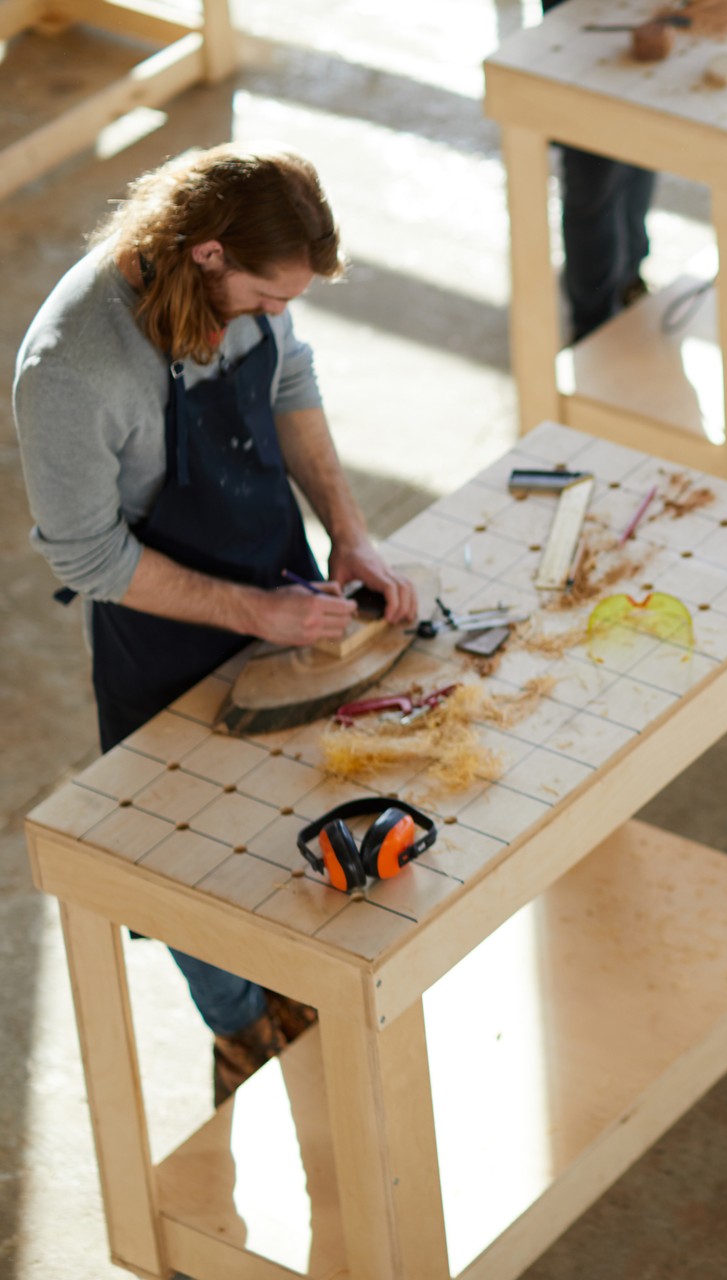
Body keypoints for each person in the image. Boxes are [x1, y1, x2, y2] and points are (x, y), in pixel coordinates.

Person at [13, 144, 417, 1103]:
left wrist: (349, 535)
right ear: (203, 253)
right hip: (165, 628)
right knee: (188, 863)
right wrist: (256, 611)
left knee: (299, 808)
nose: (279, 316)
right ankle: (238, 1025)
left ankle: (301, 974)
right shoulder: (70, 369)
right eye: (267, 297)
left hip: (279, 577)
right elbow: (88, 558)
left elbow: (285, 382)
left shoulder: (249, 305)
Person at [546, 0, 658, 341]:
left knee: (644, 138)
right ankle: (593, 324)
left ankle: (628, 278)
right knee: (593, 167)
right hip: (584, 21)